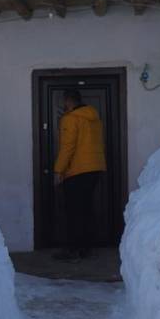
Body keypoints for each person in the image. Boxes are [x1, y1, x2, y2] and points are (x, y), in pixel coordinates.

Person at [53, 89, 107, 261]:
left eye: (64, 102)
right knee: (86, 209)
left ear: (68, 101)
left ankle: (73, 251)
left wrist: (59, 170)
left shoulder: (71, 119)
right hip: (95, 168)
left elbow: (67, 146)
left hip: (77, 170)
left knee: (74, 211)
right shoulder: (94, 118)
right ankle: (85, 248)